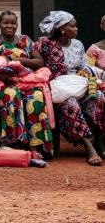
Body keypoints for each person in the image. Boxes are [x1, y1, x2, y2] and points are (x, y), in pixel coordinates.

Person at [35, 11, 105, 165]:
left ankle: (99, 140)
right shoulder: (45, 44)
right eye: (72, 26)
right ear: (61, 28)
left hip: (78, 84)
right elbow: (37, 65)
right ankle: (88, 146)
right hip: (58, 89)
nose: (76, 29)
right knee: (71, 102)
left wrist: (87, 75)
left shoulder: (78, 44)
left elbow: (84, 66)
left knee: (99, 97)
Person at [0, 11, 53, 156]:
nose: (9, 26)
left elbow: (39, 62)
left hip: (25, 82)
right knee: (11, 94)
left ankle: (35, 146)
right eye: (6, 23)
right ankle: (10, 143)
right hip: (0, 84)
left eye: (13, 23)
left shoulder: (25, 41)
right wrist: (1, 74)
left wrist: (19, 61)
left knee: (36, 96)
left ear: (17, 25)